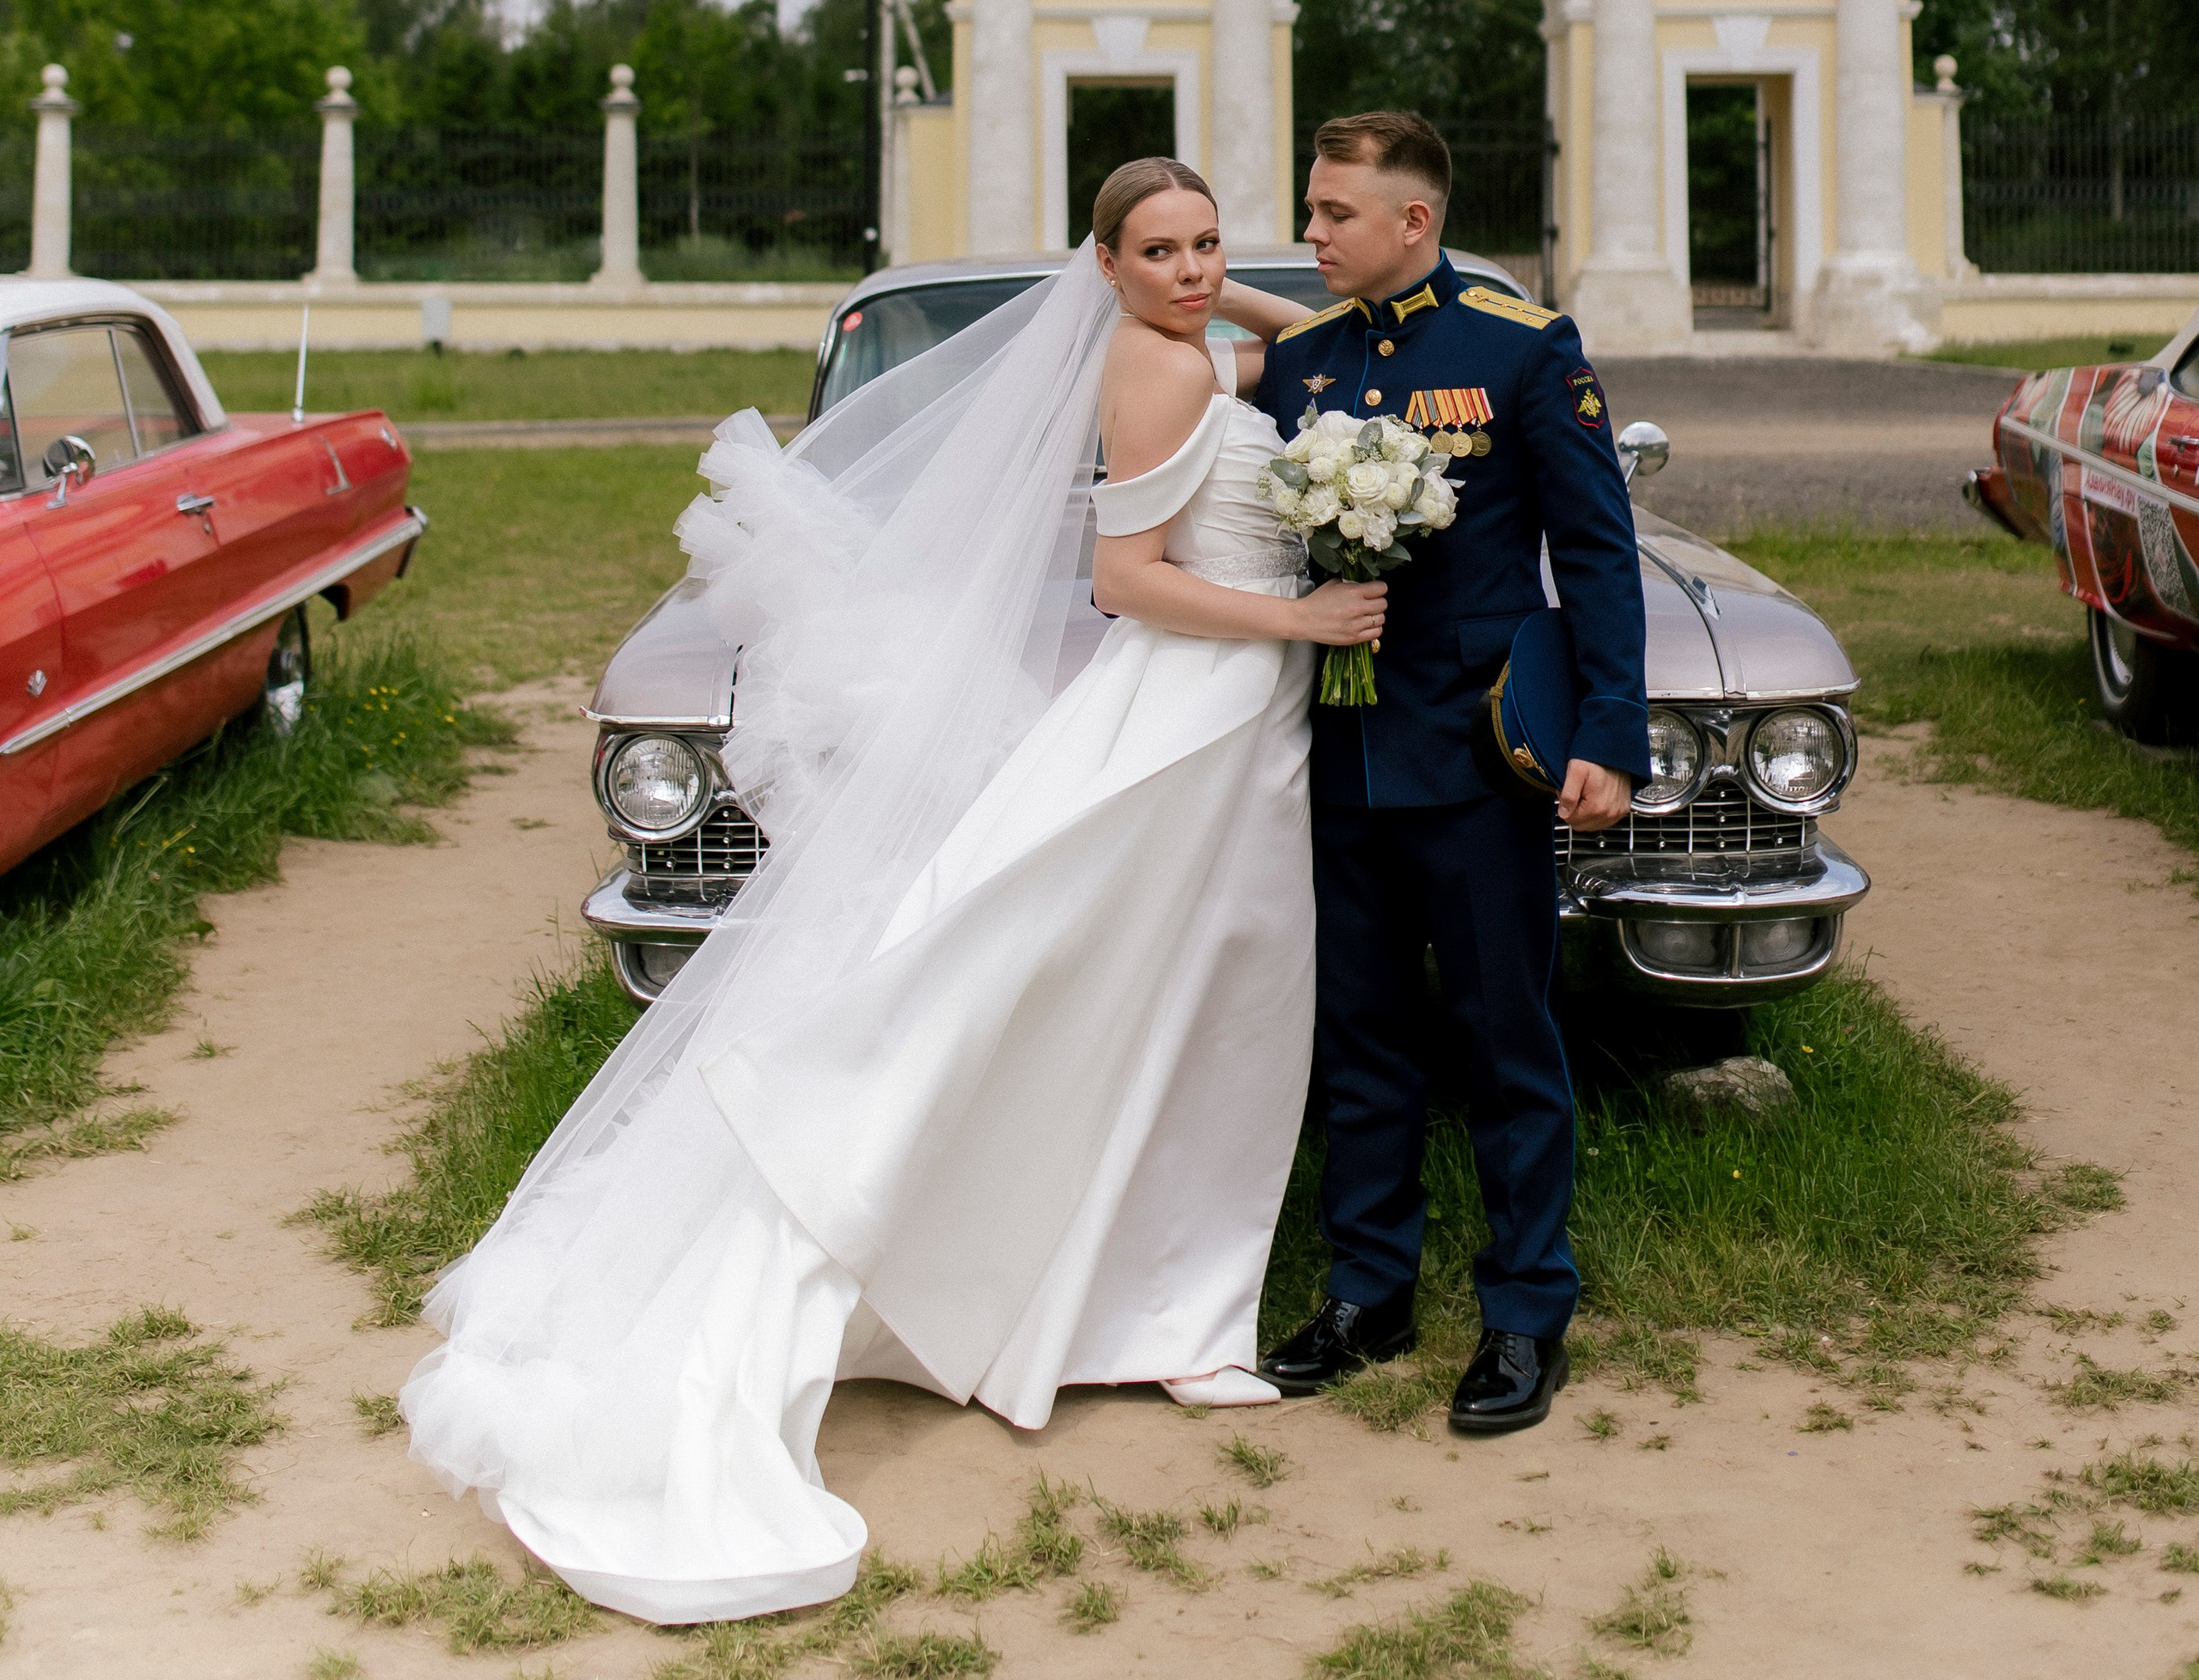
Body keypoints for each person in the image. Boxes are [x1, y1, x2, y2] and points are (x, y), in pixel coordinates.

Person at [399, 158, 1381, 1626]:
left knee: (1184, 1004)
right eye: (1161, 251)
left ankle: (1150, 1303)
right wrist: (1300, 612)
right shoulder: (1162, 375)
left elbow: (1282, 342)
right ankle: (1147, 1306)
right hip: (1192, 708)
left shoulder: (1187, 340)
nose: (1194, 270)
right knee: (1161, 994)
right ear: (1104, 267)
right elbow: (1124, 579)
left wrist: (1206, 283)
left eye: (1209, 244)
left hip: (1236, 720)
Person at [1256, 110, 1648, 1439]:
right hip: (1337, 757)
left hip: (1478, 757)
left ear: (1412, 222)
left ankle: (1527, 1307)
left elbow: (1596, 553)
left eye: (1334, 214)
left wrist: (1610, 737)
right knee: (1358, 1039)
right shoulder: (1298, 362)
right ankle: (1372, 1289)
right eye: (1310, 211)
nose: (1312, 233)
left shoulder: (1520, 345)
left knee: (1502, 1037)